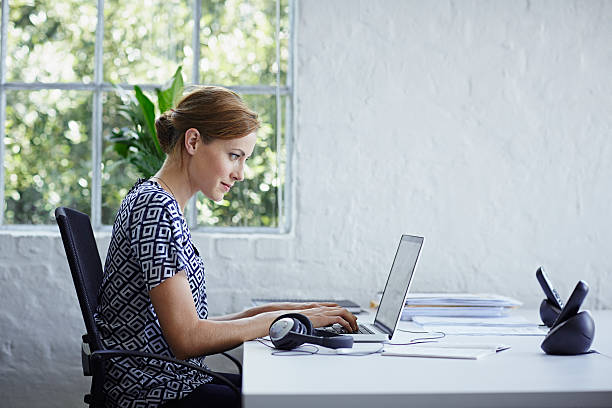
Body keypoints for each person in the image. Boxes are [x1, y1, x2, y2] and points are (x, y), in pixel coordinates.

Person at [95, 86, 358, 408]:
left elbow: (193, 326)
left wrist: (294, 312)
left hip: (174, 381)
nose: (241, 173)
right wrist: (288, 318)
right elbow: (187, 339)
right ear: (193, 142)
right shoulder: (155, 208)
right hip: (157, 393)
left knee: (295, 390)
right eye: (234, 155)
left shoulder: (158, 202)